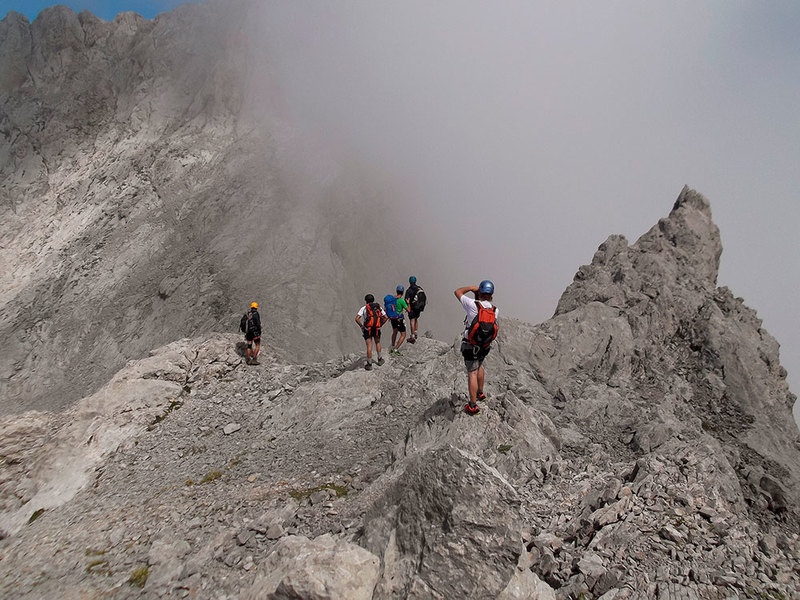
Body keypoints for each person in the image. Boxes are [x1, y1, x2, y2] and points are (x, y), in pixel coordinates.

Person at [454, 281, 498, 415]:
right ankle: (480, 393)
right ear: (491, 295)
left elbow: (457, 292)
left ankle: (473, 406)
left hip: (471, 344)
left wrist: (472, 288)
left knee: (472, 372)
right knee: (479, 366)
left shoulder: (472, 304)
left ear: (480, 292)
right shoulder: (494, 309)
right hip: (484, 345)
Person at [355, 294, 388, 370]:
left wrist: (362, 326)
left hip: (367, 329)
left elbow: (357, 319)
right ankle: (380, 360)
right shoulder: (378, 307)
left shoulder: (364, 308)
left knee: (369, 346)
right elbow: (386, 317)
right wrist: (380, 324)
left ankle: (369, 364)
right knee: (377, 343)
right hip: (377, 329)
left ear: (366, 301)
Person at [384, 285, 410, 355]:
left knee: (395, 332)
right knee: (403, 335)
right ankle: (396, 349)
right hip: (399, 319)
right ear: (403, 292)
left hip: (393, 319)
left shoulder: (392, 299)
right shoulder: (401, 301)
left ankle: (392, 346)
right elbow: (408, 310)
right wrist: (408, 303)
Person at [404, 276, 426, 343]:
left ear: (409, 282)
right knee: (416, 319)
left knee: (412, 321)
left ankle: (412, 336)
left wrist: (407, 306)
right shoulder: (419, 288)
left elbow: (407, 300)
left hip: (412, 307)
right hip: (418, 307)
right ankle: (416, 332)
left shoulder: (409, 290)